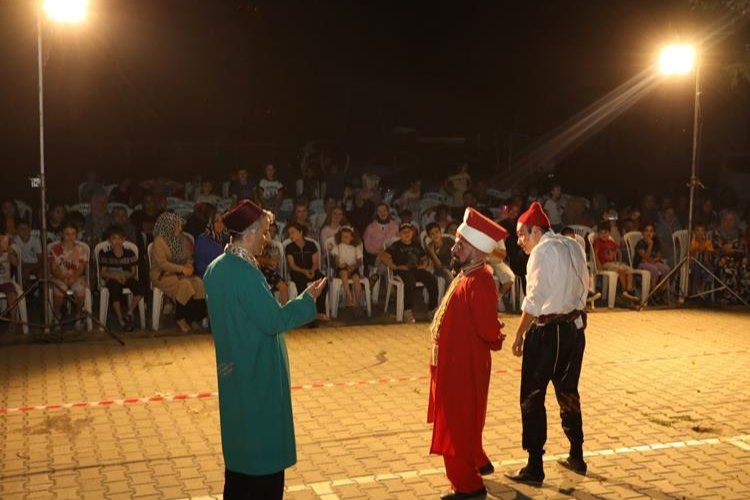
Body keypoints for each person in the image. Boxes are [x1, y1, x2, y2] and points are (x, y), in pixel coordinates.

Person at [203, 200, 326, 500]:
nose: (267, 238)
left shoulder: (215, 268)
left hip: (233, 369)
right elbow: (273, 320)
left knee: (239, 463)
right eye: (266, 232)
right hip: (257, 372)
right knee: (263, 463)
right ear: (250, 232)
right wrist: (308, 300)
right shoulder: (244, 272)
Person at [506, 201, 589, 485]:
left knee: (532, 395)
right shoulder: (573, 243)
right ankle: (577, 454)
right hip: (575, 330)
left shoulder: (541, 251)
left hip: (548, 332)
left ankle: (534, 465)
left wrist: (518, 335)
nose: (520, 242)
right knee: (568, 391)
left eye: (521, 235)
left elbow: (534, 299)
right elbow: (584, 285)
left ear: (535, 230)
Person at [428, 207, 507, 500]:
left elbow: (488, 331)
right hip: (457, 364)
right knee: (464, 421)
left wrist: (497, 333)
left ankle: (468, 485)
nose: (454, 246)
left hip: (463, 367)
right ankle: (475, 460)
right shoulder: (469, 274)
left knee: (457, 424)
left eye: (461, 243)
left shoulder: (479, 281)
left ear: (477, 251)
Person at [150, 212, 206, 333]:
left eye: (180, 226)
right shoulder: (159, 241)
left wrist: (189, 265)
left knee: (198, 282)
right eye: (177, 226)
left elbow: (189, 257)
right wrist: (181, 269)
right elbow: (162, 264)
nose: (180, 229)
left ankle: (193, 317)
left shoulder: (182, 239)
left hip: (180, 274)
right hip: (162, 275)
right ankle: (180, 318)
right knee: (184, 285)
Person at [380, 222, 438, 323]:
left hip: (415, 269)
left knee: (432, 279)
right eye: (404, 232)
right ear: (399, 234)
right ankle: (407, 311)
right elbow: (383, 257)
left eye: (409, 231)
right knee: (410, 281)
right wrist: (395, 266)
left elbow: (424, 258)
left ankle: (432, 310)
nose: (406, 234)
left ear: (412, 233)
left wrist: (423, 265)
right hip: (402, 271)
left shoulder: (417, 245)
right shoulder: (396, 245)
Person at [99, 226, 145, 331]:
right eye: (114, 238)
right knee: (115, 291)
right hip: (112, 279)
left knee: (140, 287)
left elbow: (133, 272)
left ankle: (129, 312)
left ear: (124, 239)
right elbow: (103, 272)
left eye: (120, 238)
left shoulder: (130, 254)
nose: (117, 241)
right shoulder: (106, 255)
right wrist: (115, 276)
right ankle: (120, 319)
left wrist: (124, 276)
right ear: (109, 241)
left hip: (126, 277)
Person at [284, 222, 328, 319]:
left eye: (293, 232)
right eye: (289, 233)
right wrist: (305, 272)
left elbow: (315, 263)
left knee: (323, 280)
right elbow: (292, 266)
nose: (290, 236)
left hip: (311, 270)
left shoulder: (311, 245)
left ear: (300, 232)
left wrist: (312, 271)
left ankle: (320, 310)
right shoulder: (289, 247)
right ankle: (305, 312)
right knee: (301, 283)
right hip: (297, 272)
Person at [49, 221, 89, 326]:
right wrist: (62, 277)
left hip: (76, 277)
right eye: (67, 234)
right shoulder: (55, 249)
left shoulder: (81, 249)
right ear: (62, 234)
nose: (70, 237)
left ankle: (78, 315)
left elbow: (81, 268)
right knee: (59, 289)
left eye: (73, 234)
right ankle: (56, 314)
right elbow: (53, 269)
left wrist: (74, 277)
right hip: (60, 277)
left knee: (80, 290)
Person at [592, 221, 639, 302]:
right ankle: (624, 291)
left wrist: (619, 261)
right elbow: (595, 254)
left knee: (629, 270)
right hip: (605, 264)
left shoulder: (611, 242)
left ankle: (629, 290)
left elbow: (619, 251)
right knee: (621, 270)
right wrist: (598, 265)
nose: (603, 235)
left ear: (609, 233)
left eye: (605, 233)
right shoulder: (597, 243)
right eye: (601, 233)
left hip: (614, 264)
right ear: (598, 234)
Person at [633, 223, 671, 298]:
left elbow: (659, 256)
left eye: (651, 231)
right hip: (640, 264)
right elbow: (645, 258)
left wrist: (655, 259)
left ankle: (659, 290)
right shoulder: (640, 243)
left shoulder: (656, 242)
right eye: (646, 231)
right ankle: (652, 292)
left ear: (654, 233)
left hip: (652, 262)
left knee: (666, 269)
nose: (649, 233)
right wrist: (650, 245)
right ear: (643, 233)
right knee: (654, 270)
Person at [331, 226, 363, 310]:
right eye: (343, 236)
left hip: (353, 268)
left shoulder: (355, 248)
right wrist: (340, 265)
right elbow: (336, 261)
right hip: (342, 268)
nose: (344, 239)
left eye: (347, 237)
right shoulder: (338, 247)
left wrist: (354, 266)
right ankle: (349, 296)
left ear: (352, 238)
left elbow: (359, 262)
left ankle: (357, 302)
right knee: (344, 273)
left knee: (356, 278)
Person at [195, 211, 230, 277]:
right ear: (211, 223)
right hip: (208, 276)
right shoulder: (202, 239)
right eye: (216, 221)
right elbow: (199, 266)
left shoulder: (228, 238)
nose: (220, 224)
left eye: (222, 221)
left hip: (226, 274)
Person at [0, 234, 21, 333]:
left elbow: (16, 264)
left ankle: (13, 321)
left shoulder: (9, 251)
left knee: (12, 294)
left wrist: (11, 253)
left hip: (5, 281)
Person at [13, 221, 42, 286]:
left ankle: (43, 294)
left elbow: (40, 259)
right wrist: (25, 268)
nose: (24, 231)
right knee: (22, 273)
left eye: (25, 229)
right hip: (22, 265)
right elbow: (17, 259)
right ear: (17, 231)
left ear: (30, 230)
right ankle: (25, 294)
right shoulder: (15, 240)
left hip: (35, 264)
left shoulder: (36, 240)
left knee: (42, 274)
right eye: (21, 229)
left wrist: (29, 268)